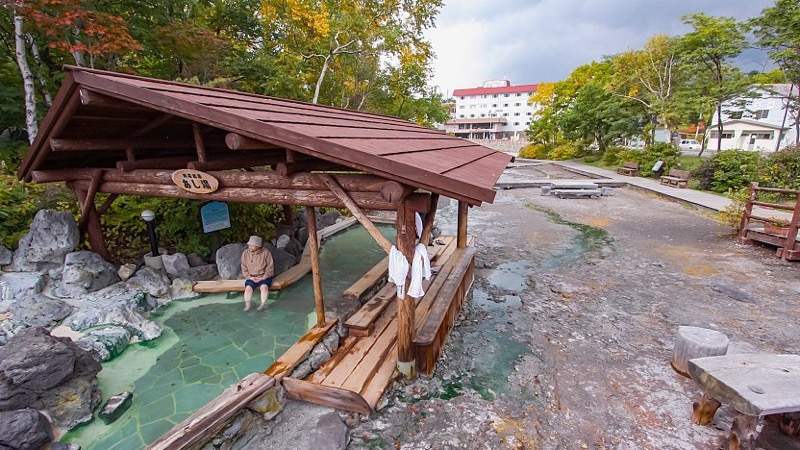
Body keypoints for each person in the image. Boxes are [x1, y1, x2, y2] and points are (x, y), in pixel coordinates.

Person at [241, 235, 274, 311]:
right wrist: (249, 277)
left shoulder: (266, 253)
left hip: (263, 276)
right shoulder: (245, 253)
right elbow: (244, 267)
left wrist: (264, 277)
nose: (250, 246)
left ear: (258, 246)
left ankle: (262, 305)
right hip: (251, 276)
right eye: (249, 245)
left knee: (264, 287)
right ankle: (247, 306)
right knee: (248, 288)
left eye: (252, 245)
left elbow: (270, 267)